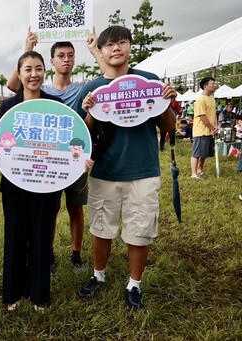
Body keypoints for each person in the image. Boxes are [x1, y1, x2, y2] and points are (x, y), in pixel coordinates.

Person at [77, 25, 177, 310]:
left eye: (122, 42)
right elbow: (83, 135)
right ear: (101, 51)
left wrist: (166, 102)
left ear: (130, 46)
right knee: (101, 228)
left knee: (139, 229)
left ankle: (135, 284)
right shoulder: (93, 87)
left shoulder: (150, 81)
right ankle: (99, 276)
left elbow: (168, 128)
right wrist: (89, 110)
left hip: (143, 170)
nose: (116, 48)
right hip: (105, 170)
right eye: (109, 45)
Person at [6, 27, 106, 273]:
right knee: (49, 210)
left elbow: (107, 76)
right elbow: (12, 85)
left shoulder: (82, 88)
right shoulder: (41, 89)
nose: (66, 59)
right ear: (50, 61)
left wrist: (94, 49)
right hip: (44, 160)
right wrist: (27, 49)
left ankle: (75, 254)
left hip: (73, 158)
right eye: (61, 55)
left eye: (71, 55)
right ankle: (47, 254)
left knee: (75, 207)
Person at [0, 50, 64, 312]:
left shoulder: (55, 105)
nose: (33, 74)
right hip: (14, 183)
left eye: (38, 69)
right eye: (27, 69)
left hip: (46, 182)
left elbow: (65, 143)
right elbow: (4, 142)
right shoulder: (8, 107)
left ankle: (39, 295)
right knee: (14, 235)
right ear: (20, 73)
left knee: (40, 236)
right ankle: (12, 293)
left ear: (44, 72)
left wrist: (77, 158)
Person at [190, 77, 218, 179]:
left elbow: (213, 114)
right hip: (201, 131)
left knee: (204, 153)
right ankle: (194, 174)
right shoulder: (200, 99)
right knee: (197, 153)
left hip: (210, 130)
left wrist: (216, 127)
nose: (214, 85)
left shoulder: (211, 98)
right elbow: (202, 117)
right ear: (206, 86)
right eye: (212, 84)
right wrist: (212, 128)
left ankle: (200, 170)